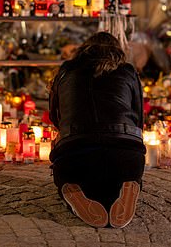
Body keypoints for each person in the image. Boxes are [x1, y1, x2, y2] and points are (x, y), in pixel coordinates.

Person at [49, 32, 145, 228]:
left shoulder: (67, 70)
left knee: (67, 176)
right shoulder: (128, 71)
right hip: (127, 156)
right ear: (118, 51)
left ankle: (73, 188)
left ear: (83, 50)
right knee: (121, 171)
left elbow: (54, 115)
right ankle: (129, 182)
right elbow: (139, 119)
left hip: (74, 156)